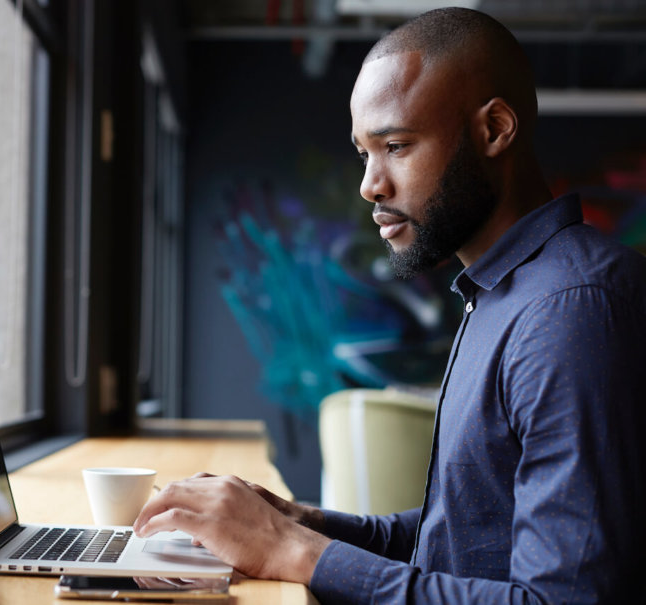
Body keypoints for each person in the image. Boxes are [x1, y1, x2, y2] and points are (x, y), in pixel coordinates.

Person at [133, 7, 646, 603]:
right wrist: (295, 521)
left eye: (396, 145)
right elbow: (456, 537)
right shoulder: (506, 292)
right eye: (364, 153)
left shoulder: (570, 311)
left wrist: (292, 551)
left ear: (494, 129)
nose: (370, 185)